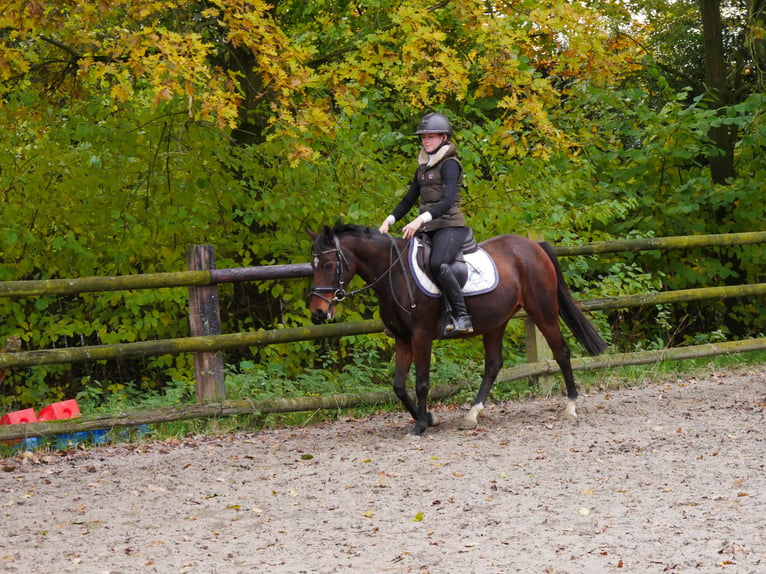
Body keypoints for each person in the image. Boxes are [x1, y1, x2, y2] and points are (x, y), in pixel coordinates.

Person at [378, 112, 473, 335]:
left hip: (450, 226)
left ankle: (462, 316)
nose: (426, 141)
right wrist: (390, 219)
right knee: (404, 262)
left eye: (431, 136)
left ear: (444, 138)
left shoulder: (450, 165)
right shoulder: (423, 167)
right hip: (429, 228)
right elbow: (409, 199)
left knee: (437, 263)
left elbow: (447, 202)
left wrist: (420, 219)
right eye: (423, 137)